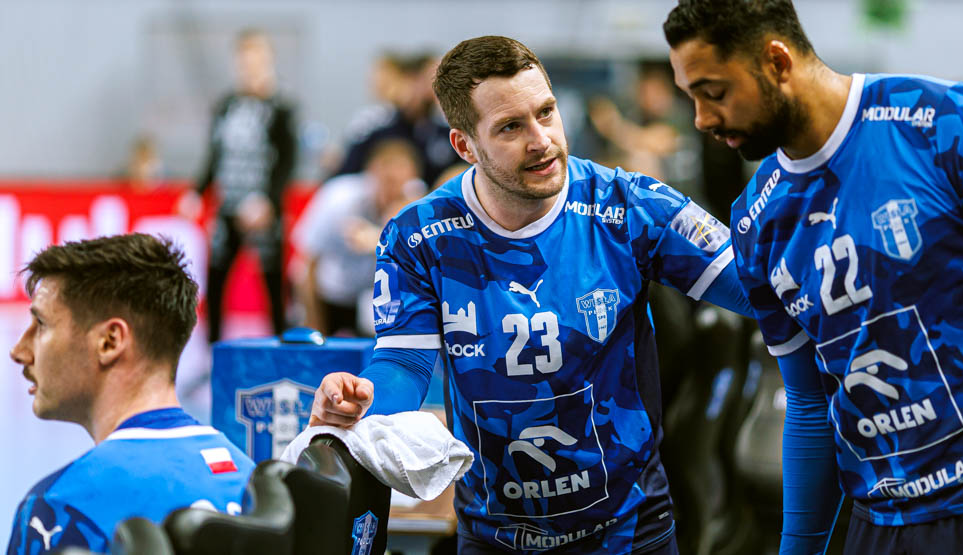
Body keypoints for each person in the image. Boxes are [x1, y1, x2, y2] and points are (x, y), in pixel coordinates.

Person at [308, 35, 753, 554]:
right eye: (511, 127)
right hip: (494, 536)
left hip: (630, 533)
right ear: (465, 146)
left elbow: (759, 288)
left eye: (546, 112)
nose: (541, 140)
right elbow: (403, 365)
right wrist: (361, 402)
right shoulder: (419, 236)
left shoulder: (628, 206)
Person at [664, 0, 963, 554]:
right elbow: (808, 404)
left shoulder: (944, 124)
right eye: (691, 97)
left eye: (714, 93)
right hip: (880, 524)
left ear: (776, 61)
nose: (702, 119)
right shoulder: (756, 220)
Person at [7, 234, 255, 554]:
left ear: (110, 342)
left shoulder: (60, 508)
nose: (18, 350)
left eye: (41, 324)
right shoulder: (250, 481)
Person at [178, 29, 297, 343]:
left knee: (274, 286)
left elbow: (288, 161)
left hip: (264, 213)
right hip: (228, 208)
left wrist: (268, 201)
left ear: (268, 61)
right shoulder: (226, 106)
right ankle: (214, 350)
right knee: (216, 282)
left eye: (256, 59)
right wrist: (197, 191)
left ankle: (282, 350)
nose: (249, 66)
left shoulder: (281, 108)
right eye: (244, 60)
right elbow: (215, 155)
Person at [293, 139, 425, 336]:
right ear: (371, 173)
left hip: (372, 301)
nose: (393, 191)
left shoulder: (414, 203)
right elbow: (306, 263)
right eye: (388, 181)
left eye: (401, 183)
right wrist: (313, 322)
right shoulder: (339, 198)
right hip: (329, 295)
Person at [333, 52, 462, 187]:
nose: (438, 88)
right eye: (432, 79)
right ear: (410, 81)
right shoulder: (377, 127)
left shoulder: (446, 132)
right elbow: (345, 175)